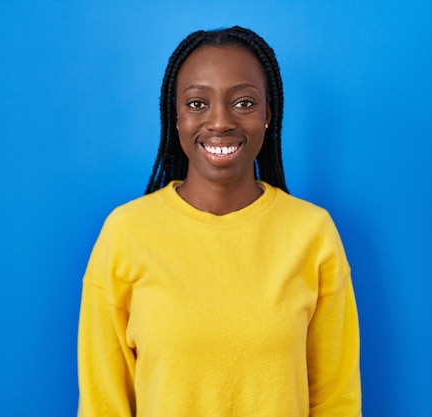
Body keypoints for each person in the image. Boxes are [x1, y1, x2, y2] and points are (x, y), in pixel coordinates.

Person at [77, 26, 361, 416]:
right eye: (197, 104)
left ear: (268, 115)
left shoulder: (312, 233)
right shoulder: (126, 233)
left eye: (243, 102)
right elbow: (102, 404)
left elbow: (336, 400)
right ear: (174, 117)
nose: (220, 121)